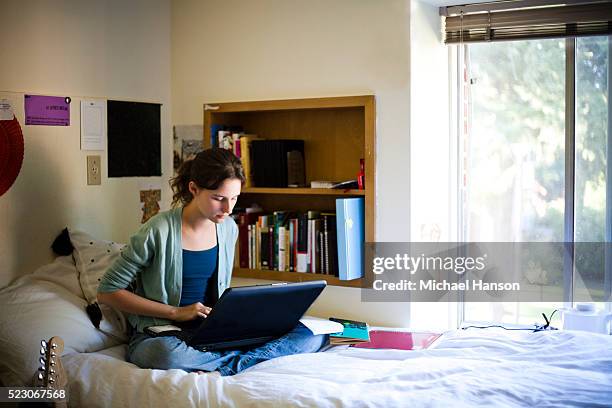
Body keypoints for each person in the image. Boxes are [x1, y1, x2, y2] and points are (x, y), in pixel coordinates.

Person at [97, 148, 327, 376]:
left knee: (312, 334)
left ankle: (224, 367)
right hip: (164, 335)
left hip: (214, 332)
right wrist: (176, 312)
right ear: (194, 189)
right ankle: (245, 362)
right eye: (218, 199)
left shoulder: (228, 228)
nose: (228, 209)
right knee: (165, 356)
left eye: (234, 198)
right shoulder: (157, 230)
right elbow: (107, 291)